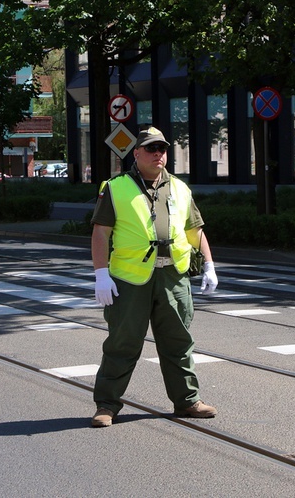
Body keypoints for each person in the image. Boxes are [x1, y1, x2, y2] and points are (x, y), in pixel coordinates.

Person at [90, 126, 219, 428]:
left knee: (178, 342)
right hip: (130, 281)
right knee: (123, 343)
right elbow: (100, 232)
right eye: (151, 149)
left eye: (162, 149)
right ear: (136, 153)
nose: (158, 154)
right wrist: (101, 273)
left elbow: (194, 230)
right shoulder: (116, 187)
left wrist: (210, 264)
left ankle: (187, 401)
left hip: (173, 277)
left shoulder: (180, 188)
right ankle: (106, 405)